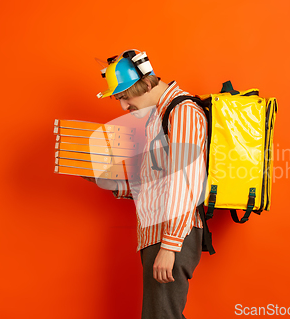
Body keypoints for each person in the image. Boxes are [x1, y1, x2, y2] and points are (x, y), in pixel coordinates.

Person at [85, 49, 207, 319]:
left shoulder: (183, 112)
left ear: (148, 84)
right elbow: (154, 185)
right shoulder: (156, 118)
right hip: (157, 233)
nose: (123, 107)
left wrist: (170, 245)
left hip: (172, 233)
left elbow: (184, 181)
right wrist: (107, 181)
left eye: (125, 97)